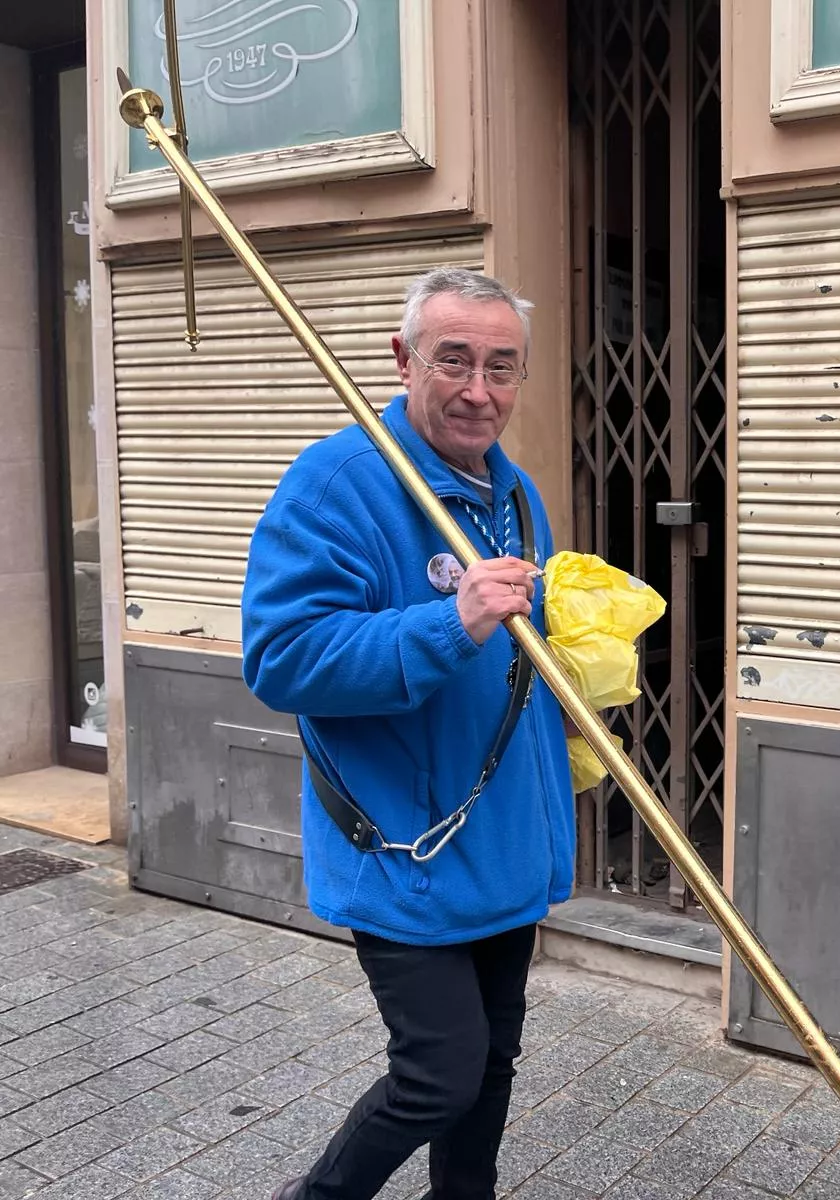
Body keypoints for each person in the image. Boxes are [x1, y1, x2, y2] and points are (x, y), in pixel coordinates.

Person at [242, 267, 576, 1200]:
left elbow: (516, 661)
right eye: (455, 361)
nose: (480, 390)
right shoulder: (339, 483)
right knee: (438, 1075)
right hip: (406, 847)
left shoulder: (513, 493)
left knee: (491, 1069)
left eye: (503, 368)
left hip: (504, 840)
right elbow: (282, 659)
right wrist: (448, 622)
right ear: (403, 359)